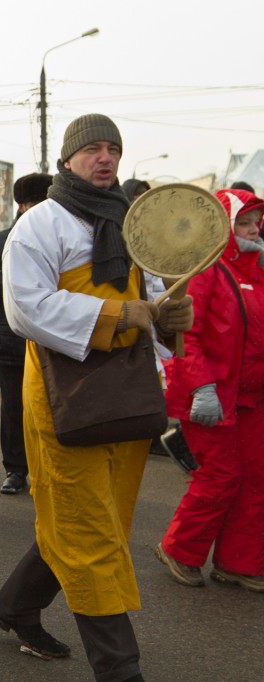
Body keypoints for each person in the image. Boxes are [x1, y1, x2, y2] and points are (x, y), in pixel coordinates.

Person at [0, 113, 193, 682]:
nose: (104, 158)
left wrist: (169, 316)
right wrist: (122, 313)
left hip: (125, 390)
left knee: (100, 517)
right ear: (68, 159)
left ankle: (14, 607)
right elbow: (25, 309)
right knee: (88, 532)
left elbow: (154, 293)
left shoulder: (132, 224)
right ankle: (120, 669)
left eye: (113, 149)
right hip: (65, 396)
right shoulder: (41, 225)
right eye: (92, 150)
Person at [155, 188, 264, 592]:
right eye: (245, 223)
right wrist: (201, 385)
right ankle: (179, 548)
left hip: (252, 397)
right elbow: (186, 336)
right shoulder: (204, 269)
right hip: (214, 397)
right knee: (220, 477)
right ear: (222, 226)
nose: (254, 230)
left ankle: (239, 561)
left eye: (256, 223)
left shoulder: (256, 272)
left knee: (256, 478)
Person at [0, 172, 52, 495]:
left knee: (54, 412)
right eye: (34, 203)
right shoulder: (1, 240)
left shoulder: (61, 236)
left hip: (54, 342)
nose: (41, 209)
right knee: (14, 412)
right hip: (13, 342)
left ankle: (49, 471)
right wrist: (13, 280)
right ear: (21, 206)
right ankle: (15, 470)